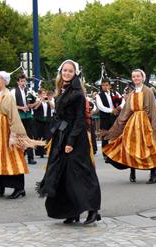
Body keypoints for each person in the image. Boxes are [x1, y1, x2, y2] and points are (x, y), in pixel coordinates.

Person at [36, 60, 101, 225]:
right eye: (64, 70)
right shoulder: (61, 91)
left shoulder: (78, 93)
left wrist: (70, 141)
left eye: (70, 71)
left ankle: (93, 210)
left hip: (75, 138)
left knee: (82, 173)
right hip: (61, 135)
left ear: (75, 74)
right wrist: (52, 135)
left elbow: (80, 120)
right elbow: (58, 117)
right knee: (64, 175)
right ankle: (72, 211)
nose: (66, 73)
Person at [0, 71, 44, 199]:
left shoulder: (8, 96)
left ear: (5, 81)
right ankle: (1, 183)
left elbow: (13, 116)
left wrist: (14, 135)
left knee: (12, 157)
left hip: (6, 131)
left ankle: (19, 188)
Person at [102, 69, 156, 184]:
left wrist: (155, 126)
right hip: (132, 124)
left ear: (142, 78)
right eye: (134, 77)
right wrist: (117, 128)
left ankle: (154, 174)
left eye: (138, 76)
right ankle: (132, 171)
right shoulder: (131, 94)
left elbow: (152, 109)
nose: (136, 78)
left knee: (149, 147)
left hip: (145, 123)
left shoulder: (148, 91)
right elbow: (126, 111)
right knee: (131, 146)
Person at [10, 74, 37, 165]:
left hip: (28, 116)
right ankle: (18, 156)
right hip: (19, 116)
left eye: (24, 81)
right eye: (21, 81)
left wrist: (31, 105)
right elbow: (11, 105)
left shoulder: (29, 91)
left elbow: (35, 103)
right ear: (18, 82)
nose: (23, 83)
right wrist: (21, 108)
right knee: (19, 136)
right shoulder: (13, 91)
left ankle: (30, 158)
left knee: (29, 136)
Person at [95, 78, 124, 154]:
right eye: (103, 85)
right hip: (105, 118)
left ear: (110, 86)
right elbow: (101, 107)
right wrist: (111, 110)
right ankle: (105, 153)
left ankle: (115, 152)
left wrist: (119, 107)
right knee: (105, 135)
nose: (105, 87)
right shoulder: (99, 96)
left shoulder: (115, 93)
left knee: (115, 134)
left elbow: (123, 101)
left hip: (115, 117)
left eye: (106, 85)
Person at [32, 89, 54, 158]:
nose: (44, 95)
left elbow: (53, 107)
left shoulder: (48, 101)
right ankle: (40, 152)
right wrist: (41, 100)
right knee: (39, 136)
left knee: (47, 135)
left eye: (45, 93)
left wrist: (48, 100)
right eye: (42, 93)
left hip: (47, 120)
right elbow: (35, 108)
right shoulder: (37, 100)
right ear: (39, 94)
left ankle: (46, 150)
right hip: (38, 120)